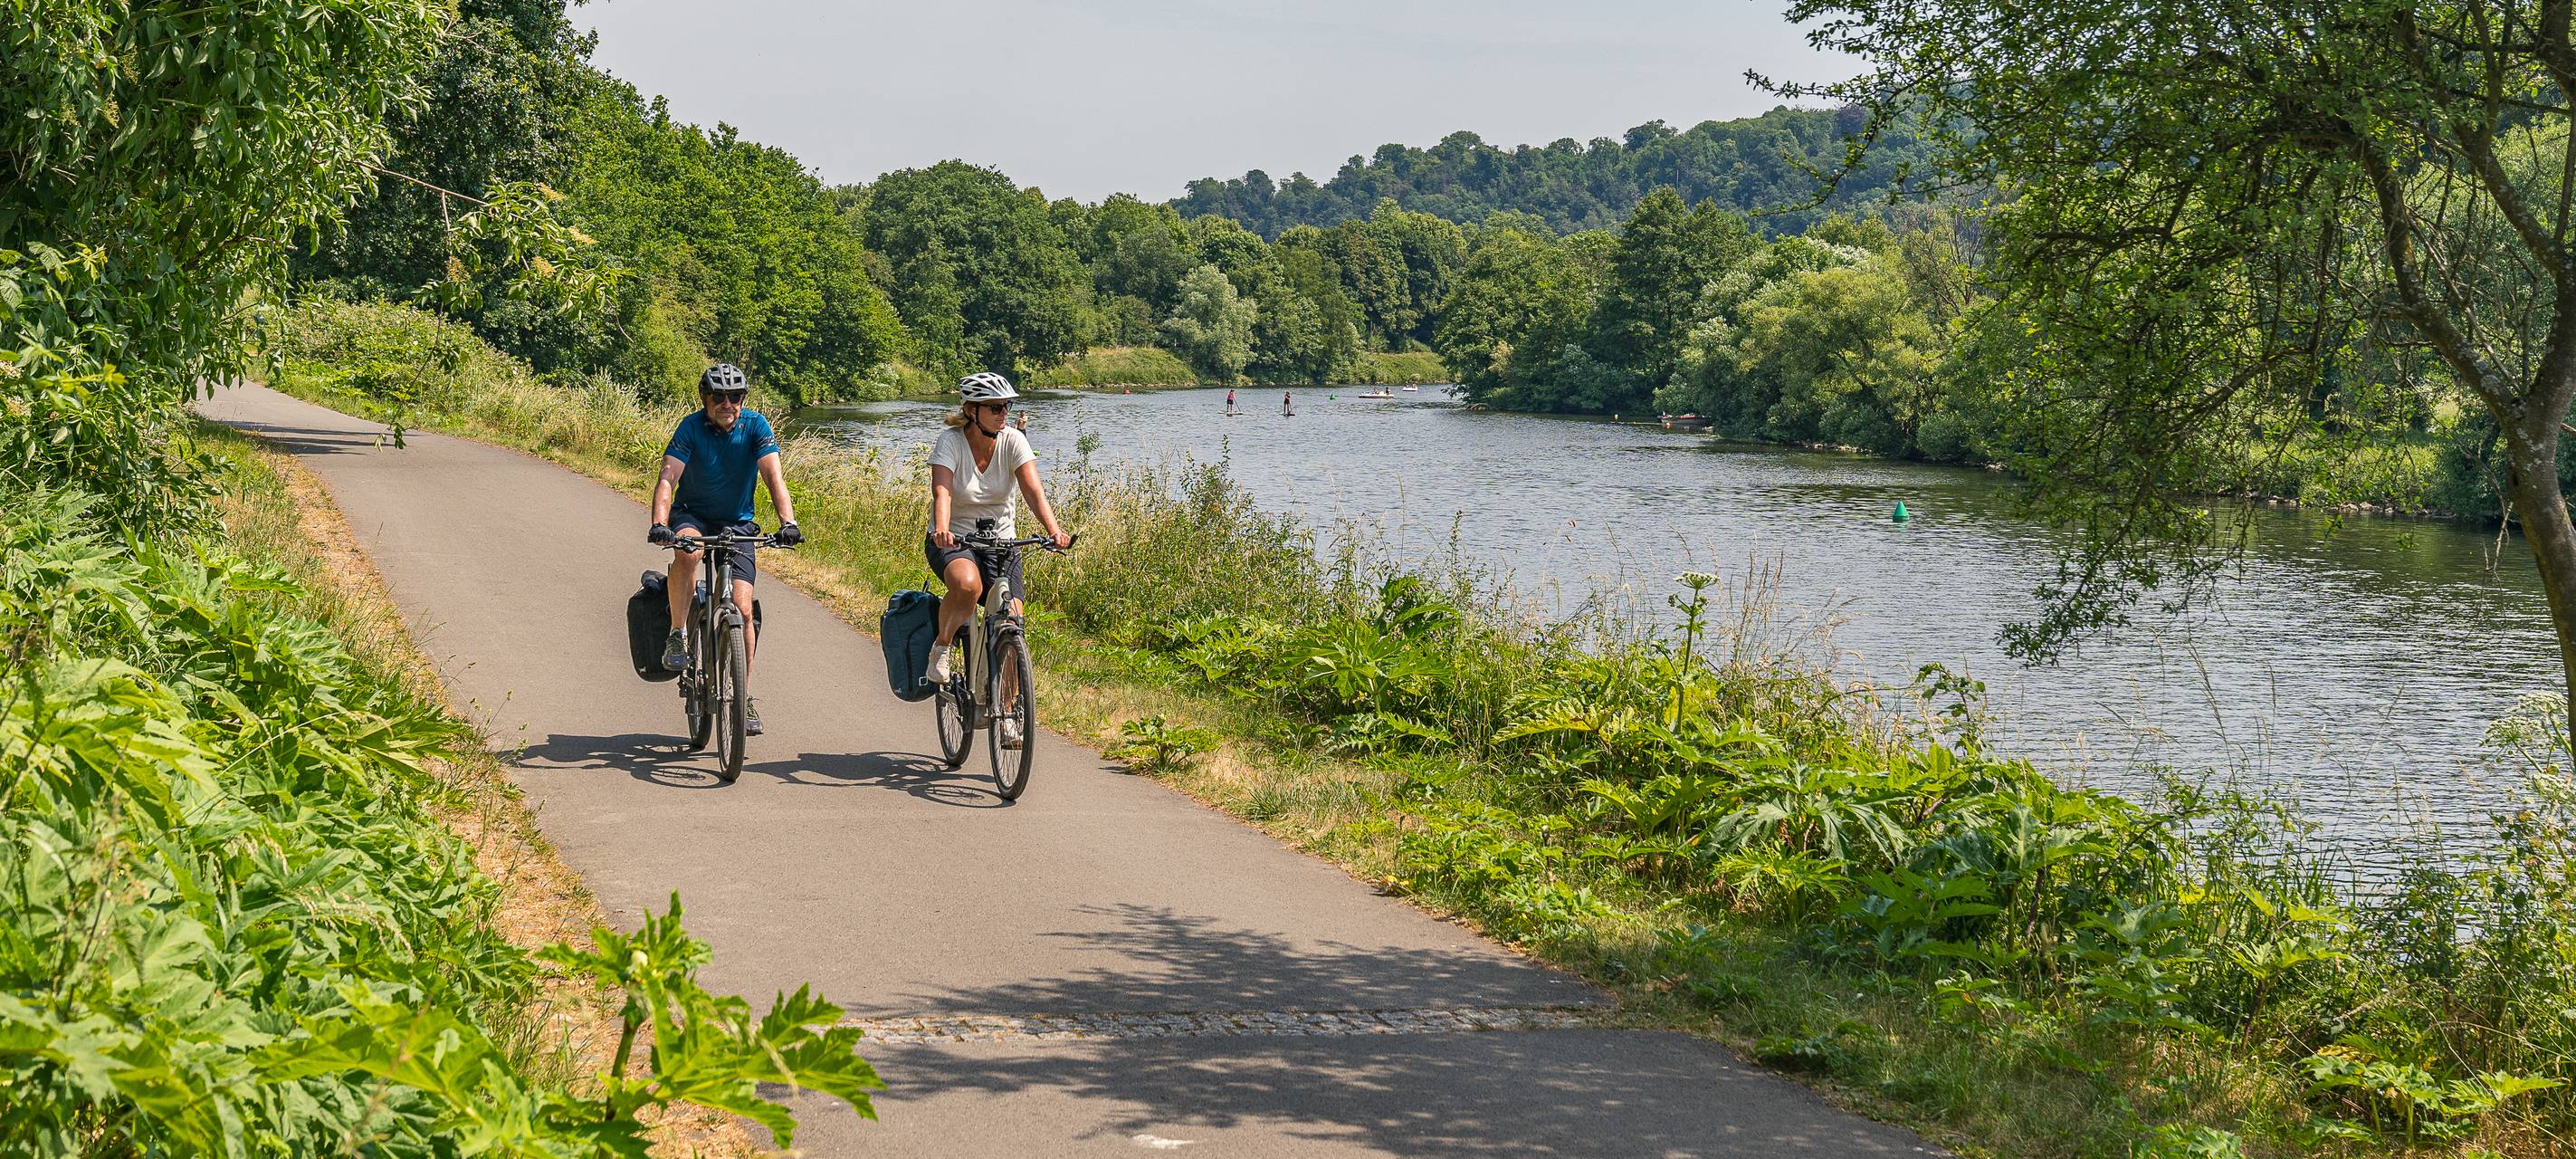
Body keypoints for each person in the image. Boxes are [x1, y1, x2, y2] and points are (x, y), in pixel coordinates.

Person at [647, 363, 801, 736]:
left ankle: (742, 695)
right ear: (705, 398)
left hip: (738, 524)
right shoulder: (691, 428)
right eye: (719, 396)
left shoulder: (755, 426)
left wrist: (788, 522)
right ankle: (678, 633)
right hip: (693, 516)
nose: (727, 404)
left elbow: (773, 477)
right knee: (689, 553)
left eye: (735, 396)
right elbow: (668, 477)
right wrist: (660, 523)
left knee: (744, 611)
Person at [925, 371, 1071, 749]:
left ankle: (1006, 714)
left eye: (1007, 406)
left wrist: (1054, 531)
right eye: (995, 407)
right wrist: (942, 528)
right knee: (967, 586)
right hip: (955, 538)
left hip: (1003, 542)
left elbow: (1033, 490)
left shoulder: (1014, 441)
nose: (1003, 413)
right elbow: (942, 492)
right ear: (972, 411)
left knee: (1012, 621)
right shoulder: (950, 442)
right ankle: (942, 645)